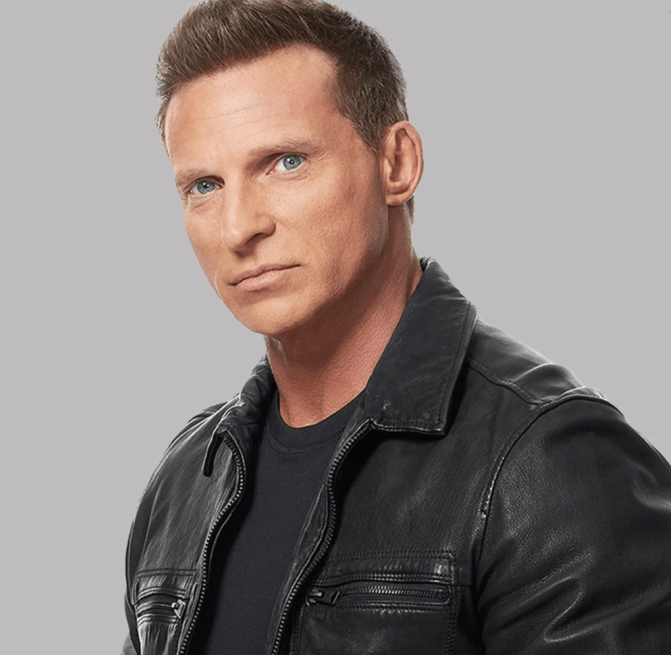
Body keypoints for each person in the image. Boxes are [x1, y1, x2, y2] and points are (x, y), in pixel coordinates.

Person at [122, 1, 671, 653]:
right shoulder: (188, 478)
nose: (239, 227)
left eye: (285, 162)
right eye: (204, 185)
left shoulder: (553, 462)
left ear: (397, 163)